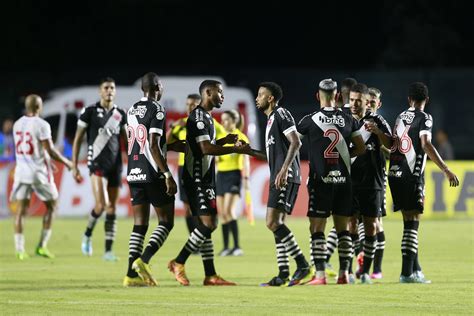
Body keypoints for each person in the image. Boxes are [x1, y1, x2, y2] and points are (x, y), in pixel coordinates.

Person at [168, 79, 252, 286]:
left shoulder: (206, 117)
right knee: (209, 224)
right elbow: (205, 149)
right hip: (196, 176)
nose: (222, 96)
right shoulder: (198, 117)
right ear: (208, 92)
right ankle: (178, 262)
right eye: (219, 92)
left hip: (205, 177)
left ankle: (210, 275)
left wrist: (226, 141)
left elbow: (205, 145)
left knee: (206, 224)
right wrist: (234, 149)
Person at [389, 82, 459, 283]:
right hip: (412, 175)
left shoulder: (400, 117)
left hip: (394, 172)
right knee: (413, 223)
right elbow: (426, 143)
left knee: (408, 221)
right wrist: (446, 169)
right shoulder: (425, 118)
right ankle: (406, 273)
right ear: (426, 100)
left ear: (408, 99)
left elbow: (393, 143)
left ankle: (415, 268)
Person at [297, 79, 365, 285]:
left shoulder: (309, 120)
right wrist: (344, 156)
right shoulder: (348, 119)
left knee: (317, 228)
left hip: (321, 180)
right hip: (344, 180)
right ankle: (345, 274)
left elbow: (292, 143)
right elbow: (360, 148)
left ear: (318, 96)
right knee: (343, 228)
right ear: (337, 97)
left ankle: (319, 276)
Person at [122, 72, 178, 287]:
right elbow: (153, 144)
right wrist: (167, 174)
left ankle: (130, 275)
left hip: (133, 171)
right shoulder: (157, 109)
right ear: (156, 87)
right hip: (152, 171)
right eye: (161, 86)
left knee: (140, 225)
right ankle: (143, 261)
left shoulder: (132, 109)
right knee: (166, 221)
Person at [254, 82, 312, 287]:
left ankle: (302, 264)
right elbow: (272, 155)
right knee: (276, 224)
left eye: (261, 95)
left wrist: (285, 169)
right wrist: (248, 151)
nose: (257, 98)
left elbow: (296, 141)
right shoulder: (270, 120)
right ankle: (282, 274)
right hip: (279, 174)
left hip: (285, 175)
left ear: (270, 98)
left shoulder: (281, 113)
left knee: (272, 222)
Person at [10, 94, 73, 260]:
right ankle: (42, 246)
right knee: (52, 206)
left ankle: (20, 250)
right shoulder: (42, 124)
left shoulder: (17, 124)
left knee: (21, 212)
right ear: (39, 107)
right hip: (39, 174)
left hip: (22, 172)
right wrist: (67, 162)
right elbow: (50, 150)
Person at [72, 77, 127, 261]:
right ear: (100, 91)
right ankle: (87, 234)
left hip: (115, 165)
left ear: (115, 91)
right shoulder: (89, 112)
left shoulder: (120, 113)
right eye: (106, 88)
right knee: (101, 205)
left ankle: (108, 251)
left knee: (112, 207)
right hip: (96, 163)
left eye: (112, 87)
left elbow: (127, 141)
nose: (109, 90)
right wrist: (74, 165)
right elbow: (78, 139)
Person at [349, 84, 392, 284]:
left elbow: (391, 143)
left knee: (371, 226)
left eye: (360, 100)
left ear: (367, 102)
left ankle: (366, 271)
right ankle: (349, 268)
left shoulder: (377, 120)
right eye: (353, 100)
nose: (356, 104)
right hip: (350, 180)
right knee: (349, 225)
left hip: (372, 180)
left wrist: (377, 132)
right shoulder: (345, 119)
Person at [166, 94, 202, 236]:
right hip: (184, 169)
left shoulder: (208, 123)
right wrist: (173, 126)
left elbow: (221, 138)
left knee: (200, 206)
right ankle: (193, 239)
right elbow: (166, 143)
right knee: (188, 207)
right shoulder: (181, 124)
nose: (190, 107)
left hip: (201, 168)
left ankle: (201, 238)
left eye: (193, 104)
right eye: (188, 104)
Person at [216, 110, 250, 256]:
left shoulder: (241, 137)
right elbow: (215, 157)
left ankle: (237, 246)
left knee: (229, 211)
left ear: (234, 121)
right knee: (222, 213)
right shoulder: (220, 137)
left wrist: (246, 179)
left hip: (234, 175)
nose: (223, 123)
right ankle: (226, 247)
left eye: (226, 120)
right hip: (221, 175)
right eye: (222, 120)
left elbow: (246, 159)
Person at [367, 87, 388, 279]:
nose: (369, 104)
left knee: (376, 222)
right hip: (359, 178)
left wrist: (378, 137)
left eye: (373, 102)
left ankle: (377, 269)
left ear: (378, 104)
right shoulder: (358, 120)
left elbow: (392, 148)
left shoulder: (380, 122)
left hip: (377, 177)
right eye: (368, 100)